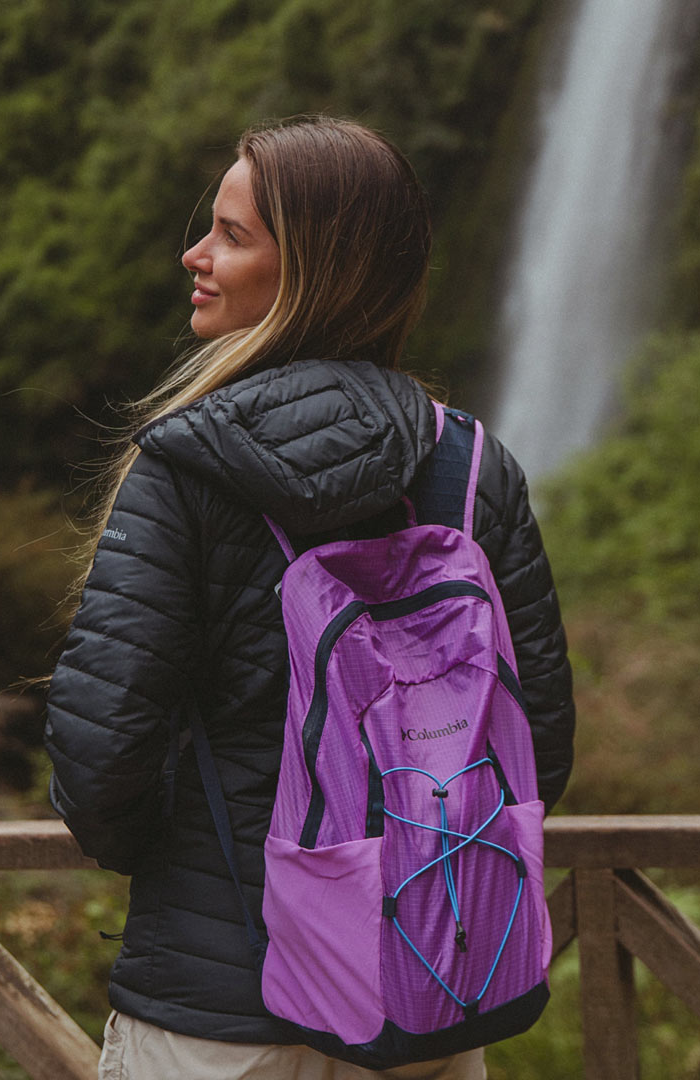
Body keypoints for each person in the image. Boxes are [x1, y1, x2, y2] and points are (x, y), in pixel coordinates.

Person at [44, 115, 575, 1080]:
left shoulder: (185, 467)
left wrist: (204, 866)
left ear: (316, 271)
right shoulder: (472, 470)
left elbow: (100, 759)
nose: (193, 254)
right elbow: (538, 738)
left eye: (232, 235)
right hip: (424, 991)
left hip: (220, 1015)